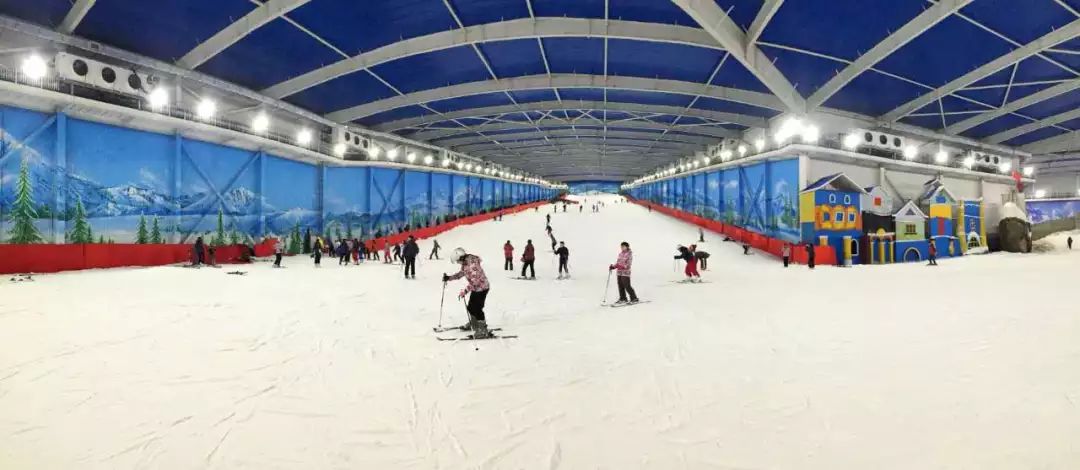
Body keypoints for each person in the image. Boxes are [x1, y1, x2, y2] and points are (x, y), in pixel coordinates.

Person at [443, 248, 492, 338]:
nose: (458, 263)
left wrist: (465, 291)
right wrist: (449, 278)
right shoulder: (466, 263)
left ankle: (482, 330)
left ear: (461, 257)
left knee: (477, 309)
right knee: (470, 307)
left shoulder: (472, 264)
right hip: (476, 288)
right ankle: (474, 324)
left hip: (482, 288)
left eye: (457, 261)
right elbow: (461, 274)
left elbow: (475, 281)